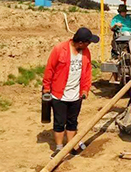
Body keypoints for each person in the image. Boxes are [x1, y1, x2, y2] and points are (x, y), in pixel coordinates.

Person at [42, 27, 99, 158]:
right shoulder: (59, 49)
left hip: (76, 94)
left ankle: (71, 145)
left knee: (72, 121)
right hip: (59, 94)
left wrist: (85, 89)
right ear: (80, 42)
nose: (88, 45)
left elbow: (87, 72)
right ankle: (59, 148)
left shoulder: (86, 52)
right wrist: (46, 88)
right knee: (59, 122)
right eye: (88, 43)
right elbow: (49, 69)